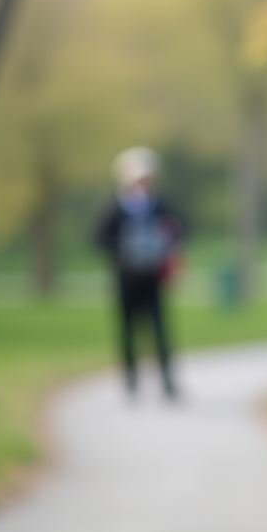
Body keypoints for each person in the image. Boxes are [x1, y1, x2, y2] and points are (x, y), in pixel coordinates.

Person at [95, 147, 184, 400]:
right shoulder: (116, 208)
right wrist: (122, 250)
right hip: (126, 280)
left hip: (153, 279)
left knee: (160, 331)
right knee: (127, 332)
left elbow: (179, 229)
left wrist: (168, 249)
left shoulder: (160, 206)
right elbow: (99, 238)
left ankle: (167, 381)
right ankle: (131, 381)